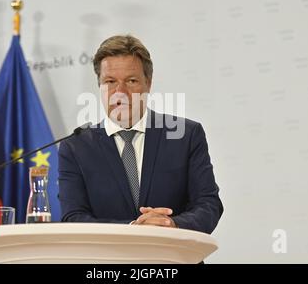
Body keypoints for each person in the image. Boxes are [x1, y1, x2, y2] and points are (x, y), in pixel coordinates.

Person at [58, 35, 223, 234]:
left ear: (148, 84)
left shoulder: (186, 136)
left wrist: (172, 225)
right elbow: (73, 217)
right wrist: (133, 229)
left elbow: (208, 204)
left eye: (132, 81)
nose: (120, 92)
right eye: (110, 81)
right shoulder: (75, 147)